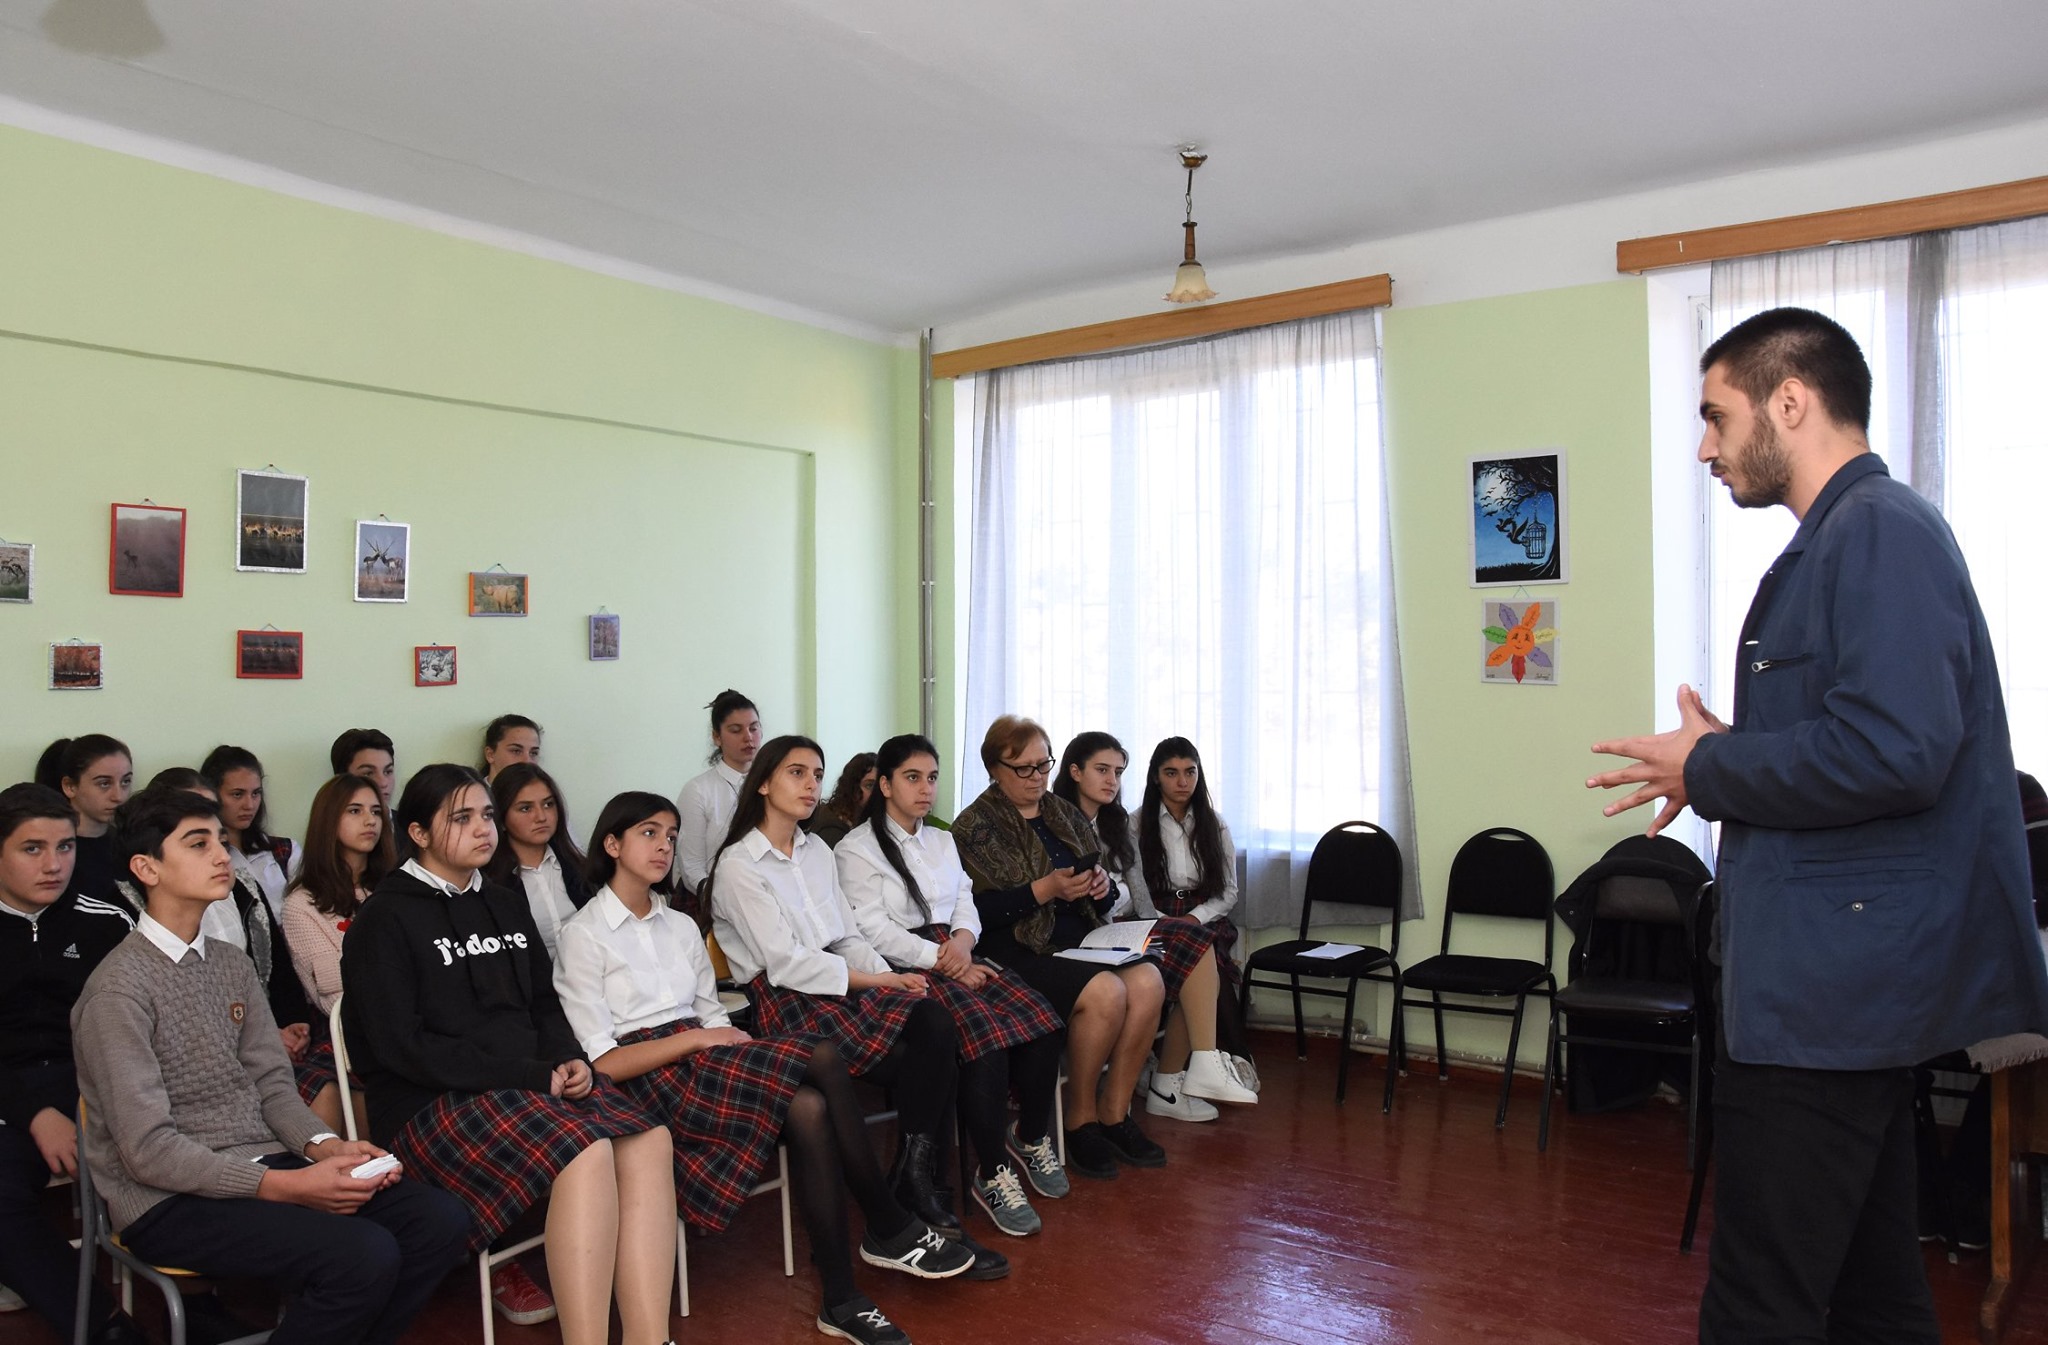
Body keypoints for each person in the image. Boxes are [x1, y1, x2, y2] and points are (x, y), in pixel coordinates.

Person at [1587, 306, 2048, 1344]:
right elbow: (1853, 740)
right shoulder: (1847, 537)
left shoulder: (1877, 531)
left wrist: (1712, 764)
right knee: (1876, 1294)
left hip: (1827, 1001)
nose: (1703, 446)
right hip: (1836, 995)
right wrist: (1725, 758)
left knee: (1760, 1306)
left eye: (1716, 415)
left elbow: (1896, 749)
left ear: (1788, 401)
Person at [555, 791, 973, 1345]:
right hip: (649, 1080)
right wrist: (699, 1039)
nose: (664, 847)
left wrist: (716, 1040)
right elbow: (604, 1063)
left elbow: (710, 1014)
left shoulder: (680, 926)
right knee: (821, 1055)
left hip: (706, 1057)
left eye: (672, 836)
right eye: (649, 833)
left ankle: (842, 1297)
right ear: (612, 844)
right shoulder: (582, 934)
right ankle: (886, 1220)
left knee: (809, 1108)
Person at [72, 786, 470, 1344]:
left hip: (262, 1165)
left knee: (439, 1222)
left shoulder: (230, 964)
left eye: (221, 841)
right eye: (198, 843)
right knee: (362, 1254)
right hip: (166, 1200)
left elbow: (274, 1088)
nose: (222, 855)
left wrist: (326, 1148)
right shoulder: (117, 992)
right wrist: (291, 1186)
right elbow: (150, 1152)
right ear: (147, 868)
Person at [341, 764, 679, 1345]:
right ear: (418, 833)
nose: (484, 829)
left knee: (650, 1139)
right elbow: (404, 1049)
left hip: (525, 1086)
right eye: (462, 818)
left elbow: (545, 1003)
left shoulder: (502, 902)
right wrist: (530, 1073)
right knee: (585, 1149)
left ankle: (649, 1339)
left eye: (487, 815)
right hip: (433, 1105)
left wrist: (570, 1058)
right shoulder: (384, 917)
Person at [705, 736, 990, 1260]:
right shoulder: (739, 865)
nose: (811, 785)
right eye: (796, 773)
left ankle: (915, 1176)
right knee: (924, 1060)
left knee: (933, 1019)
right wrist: (877, 983)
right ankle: (910, 1193)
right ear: (763, 783)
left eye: (817, 774)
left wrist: (891, 978)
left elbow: (848, 935)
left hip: (842, 979)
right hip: (787, 997)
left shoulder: (816, 850)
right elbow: (787, 963)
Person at [952, 717, 1250, 1183]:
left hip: (1082, 938)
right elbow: (975, 911)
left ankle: (1115, 1112)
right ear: (994, 768)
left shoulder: (1063, 814)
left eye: (1042, 765)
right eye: (1023, 769)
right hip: (1017, 949)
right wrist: (1045, 890)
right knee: (1107, 991)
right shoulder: (974, 825)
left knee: (1149, 980)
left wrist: (1099, 888)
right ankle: (1080, 1120)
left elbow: (1107, 893)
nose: (1036, 778)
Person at [836, 735, 1068, 1235]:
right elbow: (871, 929)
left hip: (955, 949)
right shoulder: (856, 849)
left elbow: (964, 899)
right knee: (986, 1037)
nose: (926, 789)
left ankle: (1030, 1137)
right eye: (912, 778)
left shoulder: (940, 840)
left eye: (933, 778)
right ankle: (992, 1172)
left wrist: (963, 943)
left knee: (1043, 1020)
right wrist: (945, 962)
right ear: (885, 785)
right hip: (905, 963)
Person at [0, 783, 142, 1345]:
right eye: (32, 849)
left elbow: (132, 1031)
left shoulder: (108, 922)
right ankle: (106, 1328)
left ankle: (203, 1309)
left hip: (93, 1087)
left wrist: (87, 1106)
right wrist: (37, 1113)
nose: (54, 865)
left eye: (65, 847)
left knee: (176, 1159)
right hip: (9, 1097)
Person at [1127, 737, 1259, 1109]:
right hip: (1153, 912)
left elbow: (1229, 891)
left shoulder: (1213, 823)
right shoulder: (1136, 823)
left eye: (1190, 772)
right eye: (1171, 773)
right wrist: (1168, 921)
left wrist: (1192, 919)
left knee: (1210, 956)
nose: (1182, 782)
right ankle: (1227, 1057)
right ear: (1156, 777)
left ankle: (1212, 1062)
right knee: (1201, 962)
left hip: (1204, 910)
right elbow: (1135, 891)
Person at [281, 774, 396, 1015]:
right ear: (329, 820)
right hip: (361, 1027)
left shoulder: (396, 888)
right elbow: (333, 999)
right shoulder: (301, 905)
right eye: (355, 811)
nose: (370, 821)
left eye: (376, 812)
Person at [484, 762, 589, 962]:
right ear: (501, 819)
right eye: (525, 808)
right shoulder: (489, 882)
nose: (541, 817)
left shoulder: (580, 867)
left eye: (548, 804)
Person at [674, 689, 762, 907]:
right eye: (736, 730)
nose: (748, 737)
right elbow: (691, 866)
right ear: (717, 737)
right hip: (711, 901)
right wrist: (721, 900)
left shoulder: (772, 785)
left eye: (754, 728)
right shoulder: (698, 790)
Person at [33, 735, 132, 909]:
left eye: (125, 781)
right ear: (70, 786)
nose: (118, 796)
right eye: (104, 784)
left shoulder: (131, 843)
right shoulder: (54, 852)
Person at [201, 744, 297, 924]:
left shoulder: (285, 850)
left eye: (256, 793)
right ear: (212, 795)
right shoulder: (208, 860)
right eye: (237, 794)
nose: (249, 805)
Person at [806, 752, 877, 850]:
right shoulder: (831, 829)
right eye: (869, 785)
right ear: (852, 787)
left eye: (880, 786)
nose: (877, 793)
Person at [329, 728, 397, 808]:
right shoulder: (325, 816)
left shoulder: (405, 816)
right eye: (368, 774)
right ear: (341, 780)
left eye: (388, 772)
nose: (383, 783)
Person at [481, 715, 543, 780]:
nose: (527, 761)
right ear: (490, 754)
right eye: (516, 751)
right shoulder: (475, 786)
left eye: (533, 753)